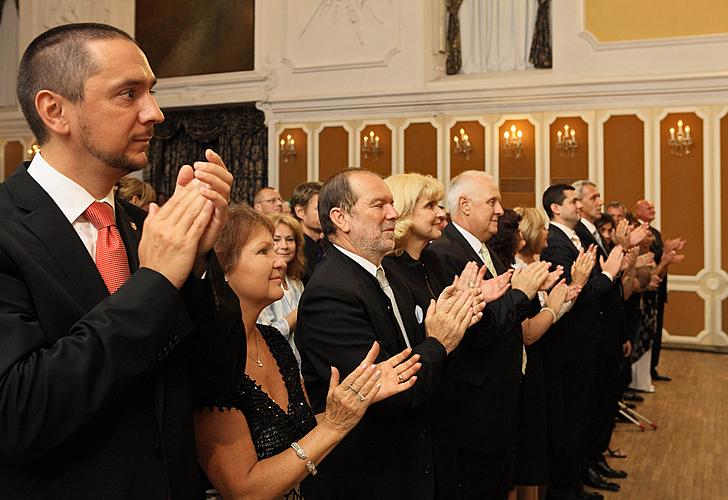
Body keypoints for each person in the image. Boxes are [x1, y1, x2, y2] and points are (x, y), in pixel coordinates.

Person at [1, 23, 239, 498]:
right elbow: (18, 413)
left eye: (151, 92)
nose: (155, 113)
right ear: (55, 111)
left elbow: (218, 381)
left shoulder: (142, 224)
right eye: (128, 94)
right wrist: (153, 281)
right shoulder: (8, 229)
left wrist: (197, 266)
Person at [194, 205, 421, 499]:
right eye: (264, 252)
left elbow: (297, 433)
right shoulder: (210, 356)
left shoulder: (273, 341)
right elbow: (244, 490)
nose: (280, 262)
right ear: (222, 268)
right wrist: (335, 425)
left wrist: (354, 400)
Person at [296, 168, 478, 499]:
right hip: (371, 474)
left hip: (413, 460)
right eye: (379, 205)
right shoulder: (331, 292)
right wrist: (439, 341)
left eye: (392, 204)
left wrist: (446, 317)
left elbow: (410, 351)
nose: (393, 214)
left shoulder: (385, 274)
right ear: (341, 218)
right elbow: (386, 392)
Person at [428, 170, 552, 500]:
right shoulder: (447, 253)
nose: (500, 210)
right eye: (492, 202)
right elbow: (477, 330)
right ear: (464, 205)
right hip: (475, 406)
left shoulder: (486, 251)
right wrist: (523, 294)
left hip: (498, 398)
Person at [539, 184, 623, 500]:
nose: (580, 205)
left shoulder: (574, 239)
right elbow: (574, 295)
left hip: (587, 343)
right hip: (569, 348)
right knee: (570, 423)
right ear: (555, 209)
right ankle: (566, 491)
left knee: (580, 419)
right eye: (573, 201)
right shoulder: (556, 243)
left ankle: (574, 486)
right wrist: (608, 275)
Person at [506, 207, 589, 500]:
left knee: (537, 449)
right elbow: (529, 332)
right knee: (528, 454)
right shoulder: (517, 271)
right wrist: (556, 305)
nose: (547, 235)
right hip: (530, 368)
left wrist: (561, 296)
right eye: (542, 230)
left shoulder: (535, 266)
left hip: (543, 365)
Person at [572, 180, 630, 493]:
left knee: (604, 403)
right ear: (578, 203)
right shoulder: (579, 235)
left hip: (606, 331)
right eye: (594, 197)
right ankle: (587, 465)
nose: (600, 201)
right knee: (592, 408)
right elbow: (597, 286)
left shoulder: (592, 232)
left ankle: (595, 459)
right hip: (591, 334)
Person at [634, 199, 686, 382]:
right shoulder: (637, 231)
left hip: (658, 287)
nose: (653, 210)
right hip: (644, 287)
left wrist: (667, 250)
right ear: (638, 211)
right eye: (648, 208)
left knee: (655, 332)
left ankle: (652, 369)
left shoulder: (655, 231)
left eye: (653, 208)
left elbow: (657, 255)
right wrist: (665, 253)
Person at [258, 213, 306, 366]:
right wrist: (299, 311)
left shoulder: (296, 282)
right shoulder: (260, 284)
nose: (284, 246)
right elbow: (266, 336)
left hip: (300, 367)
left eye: (290, 240)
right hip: (274, 366)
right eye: (276, 240)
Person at [290, 181, 324, 283]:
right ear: (300, 212)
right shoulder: (294, 248)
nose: (326, 212)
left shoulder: (325, 245)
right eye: (319, 208)